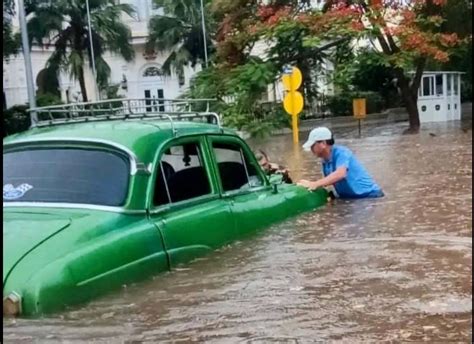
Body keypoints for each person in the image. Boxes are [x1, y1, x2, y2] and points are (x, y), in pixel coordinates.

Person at [297, 127, 384, 198]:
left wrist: (315, 184)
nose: (311, 149)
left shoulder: (342, 153)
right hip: (351, 198)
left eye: (312, 145)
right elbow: (329, 181)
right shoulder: (325, 160)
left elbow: (340, 174)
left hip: (370, 197)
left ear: (323, 143)